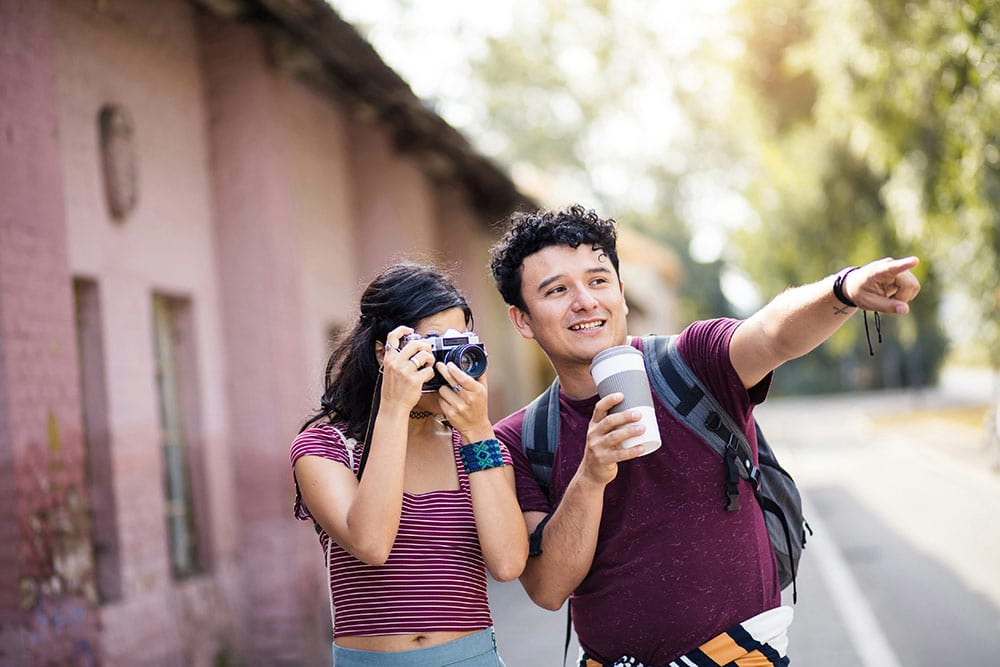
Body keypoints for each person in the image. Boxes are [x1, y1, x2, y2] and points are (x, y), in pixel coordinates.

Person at [488, 204, 921, 667]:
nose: (585, 301)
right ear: (523, 320)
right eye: (557, 290)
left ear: (621, 292)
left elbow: (772, 334)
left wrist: (845, 288)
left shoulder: (690, 362)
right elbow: (548, 589)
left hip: (743, 655)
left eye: (598, 280)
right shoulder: (520, 438)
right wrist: (590, 476)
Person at [290, 262, 528, 666]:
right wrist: (394, 409)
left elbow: (507, 563)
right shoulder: (326, 447)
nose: (446, 364)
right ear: (385, 353)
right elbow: (371, 544)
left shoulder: (479, 447)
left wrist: (475, 430)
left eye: (457, 344)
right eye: (430, 347)